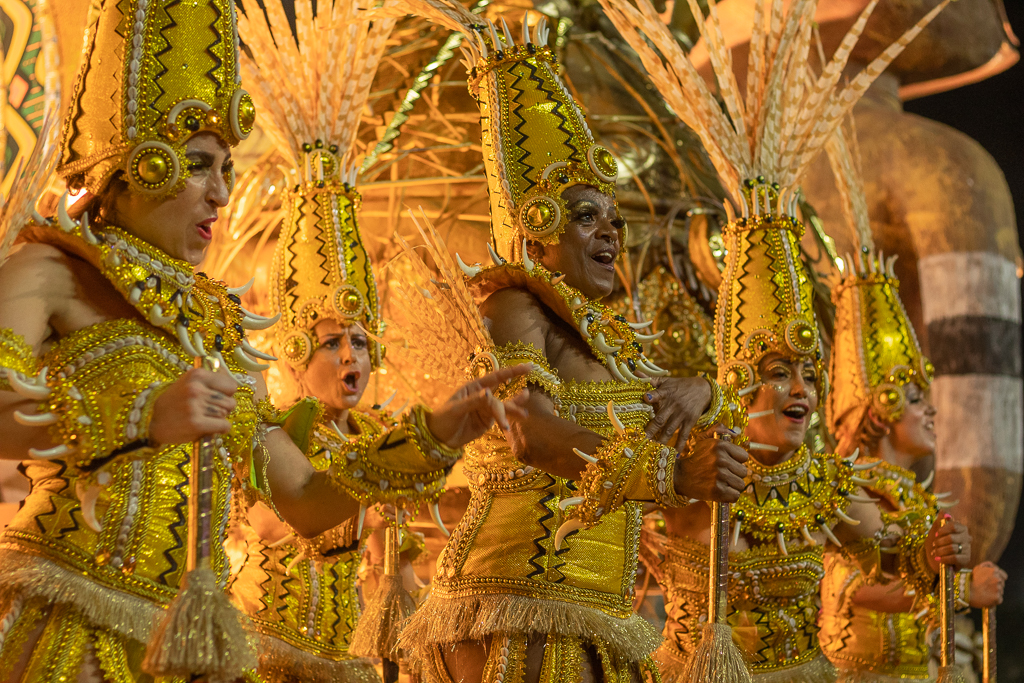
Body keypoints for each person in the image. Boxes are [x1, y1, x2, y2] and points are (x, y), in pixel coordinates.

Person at [0, 2, 525, 680]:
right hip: (71, 623)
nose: (220, 193)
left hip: (190, 641)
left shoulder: (215, 324)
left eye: (227, 168)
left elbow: (306, 495)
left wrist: (436, 435)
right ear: (133, 163)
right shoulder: (49, 268)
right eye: (197, 164)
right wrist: (138, 418)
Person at [596, 0, 965, 679]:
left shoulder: (821, 486)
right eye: (778, 370)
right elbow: (593, 484)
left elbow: (890, 555)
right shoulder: (691, 462)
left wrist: (936, 552)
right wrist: (681, 455)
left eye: (809, 373)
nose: (801, 388)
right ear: (737, 381)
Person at [380, 4, 749, 682]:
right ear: (539, 227)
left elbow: (713, 426)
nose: (611, 233)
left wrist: (705, 390)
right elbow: (530, 430)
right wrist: (667, 474)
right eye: (586, 216)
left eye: (614, 218)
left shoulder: (612, 341)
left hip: (590, 610)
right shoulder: (513, 302)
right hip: (513, 609)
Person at [227, 2, 527, 680]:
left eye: (360, 342)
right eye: (332, 343)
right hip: (265, 655)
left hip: (341, 659)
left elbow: (427, 510)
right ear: (297, 353)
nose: (350, 357)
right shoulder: (273, 432)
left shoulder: (371, 439)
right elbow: (303, 510)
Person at [818, 125, 1006, 683]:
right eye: (916, 395)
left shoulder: (911, 496)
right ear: (881, 403)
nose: (932, 411)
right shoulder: (841, 487)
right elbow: (847, 584)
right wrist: (955, 587)